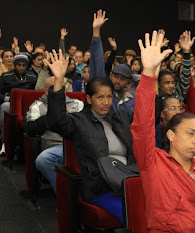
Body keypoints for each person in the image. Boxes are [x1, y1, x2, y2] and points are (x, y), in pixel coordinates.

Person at [131, 30, 195, 233]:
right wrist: (148, 75)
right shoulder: (152, 162)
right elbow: (142, 127)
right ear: (171, 135)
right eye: (190, 134)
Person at [45, 48, 135, 222]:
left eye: (109, 97)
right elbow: (56, 121)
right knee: (136, 215)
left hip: (129, 181)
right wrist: (58, 80)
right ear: (88, 99)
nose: (106, 102)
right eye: (100, 97)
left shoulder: (120, 118)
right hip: (101, 188)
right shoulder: (80, 121)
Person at [24, 77, 84, 193]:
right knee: (43, 160)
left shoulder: (77, 103)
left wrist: (69, 118)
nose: (60, 90)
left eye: (62, 87)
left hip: (78, 144)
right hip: (56, 146)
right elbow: (30, 129)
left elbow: (86, 125)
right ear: (47, 91)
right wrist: (51, 118)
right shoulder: (37, 106)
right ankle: (65, 195)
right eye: (55, 88)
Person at [157, 69, 195, 149]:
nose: (177, 112)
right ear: (162, 114)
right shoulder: (157, 131)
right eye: (173, 108)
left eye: (180, 108)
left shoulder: (189, 126)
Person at [88, 10, 135, 113]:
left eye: (123, 78)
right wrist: (96, 31)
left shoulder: (133, 98)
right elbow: (97, 62)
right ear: (110, 75)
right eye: (116, 76)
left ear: (128, 81)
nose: (118, 81)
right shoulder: (101, 91)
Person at [154, 30, 194, 124]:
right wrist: (156, 50)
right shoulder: (156, 97)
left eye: (172, 82)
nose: (171, 85)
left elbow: (186, 74)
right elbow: (152, 74)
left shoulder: (178, 93)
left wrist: (186, 51)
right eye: (167, 83)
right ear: (158, 85)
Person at [0, 54, 37, 140]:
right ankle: (4, 138)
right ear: (14, 65)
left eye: (24, 65)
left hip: (28, 103)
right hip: (10, 102)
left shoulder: (32, 77)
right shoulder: (6, 76)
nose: (21, 67)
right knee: (5, 106)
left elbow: (36, 91)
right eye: (19, 65)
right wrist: (8, 99)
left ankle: (32, 137)